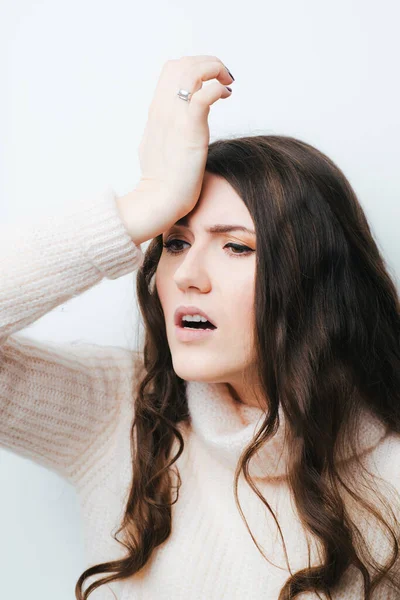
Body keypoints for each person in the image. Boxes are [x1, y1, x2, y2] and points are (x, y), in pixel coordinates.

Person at [0, 55, 399, 600]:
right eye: (176, 241)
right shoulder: (120, 413)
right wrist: (145, 203)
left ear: (314, 277)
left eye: (236, 246)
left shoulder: (389, 476)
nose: (187, 275)